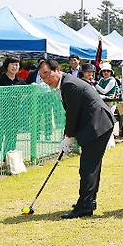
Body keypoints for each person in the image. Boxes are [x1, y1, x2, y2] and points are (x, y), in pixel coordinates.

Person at [38, 59, 115, 218]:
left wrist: (68, 137)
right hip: (95, 124)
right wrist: (69, 137)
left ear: (57, 70)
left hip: (97, 125)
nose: (46, 79)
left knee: (87, 167)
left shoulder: (68, 85)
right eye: (42, 77)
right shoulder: (65, 82)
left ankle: (84, 206)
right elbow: (73, 112)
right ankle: (89, 201)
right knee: (91, 166)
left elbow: (73, 114)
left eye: (47, 74)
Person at [0, 56, 26, 167]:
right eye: (13, 64)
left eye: (17, 64)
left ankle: (8, 161)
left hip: (14, 116)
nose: (15, 66)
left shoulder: (21, 82)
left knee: (11, 138)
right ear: (7, 66)